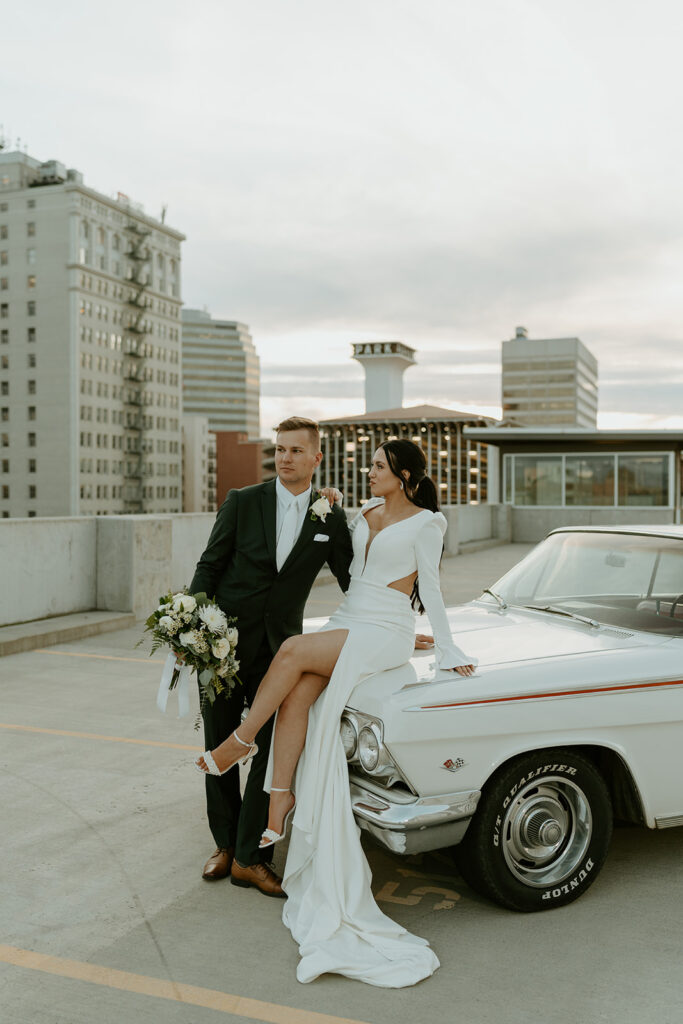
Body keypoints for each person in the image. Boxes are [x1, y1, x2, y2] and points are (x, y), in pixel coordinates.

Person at [196, 439, 478, 987]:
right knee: (299, 692)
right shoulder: (362, 512)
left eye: (377, 466)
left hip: (387, 629)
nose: (368, 472)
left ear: (404, 474)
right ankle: (280, 806)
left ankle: (242, 740)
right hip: (353, 615)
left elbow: (433, 589)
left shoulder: (428, 524)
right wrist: (327, 502)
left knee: (292, 652)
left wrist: (445, 646)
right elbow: (347, 566)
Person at [188, 416, 353, 896]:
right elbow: (210, 564)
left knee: (270, 749)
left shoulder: (329, 516)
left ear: (316, 458)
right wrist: (193, 629)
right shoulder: (243, 501)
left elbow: (352, 583)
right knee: (220, 742)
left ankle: (250, 856)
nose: (285, 458)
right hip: (223, 645)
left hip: (283, 651)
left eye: (296, 451)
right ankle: (223, 844)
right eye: (280, 449)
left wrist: (392, 625)